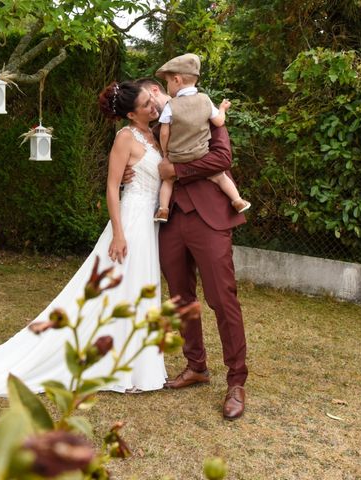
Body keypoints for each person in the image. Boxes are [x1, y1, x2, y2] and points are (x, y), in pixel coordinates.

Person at [0, 81, 168, 397]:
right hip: (130, 222)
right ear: (131, 113)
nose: (153, 106)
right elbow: (111, 186)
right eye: (147, 104)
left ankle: (135, 362)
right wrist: (118, 233)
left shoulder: (155, 134)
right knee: (120, 288)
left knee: (137, 288)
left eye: (152, 101)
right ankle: (117, 363)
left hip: (149, 223)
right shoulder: (125, 138)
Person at [133, 77, 249, 420]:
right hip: (169, 220)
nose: (152, 105)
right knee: (181, 297)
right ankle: (195, 365)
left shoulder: (203, 109)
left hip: (209, 218)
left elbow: (222, 157)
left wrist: (178, 170)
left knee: (222, 298)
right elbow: (145, 160)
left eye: (153, 94)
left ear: (165, 86)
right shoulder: (158, 127)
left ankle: (236, 381)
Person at [152, 53, 250, 223]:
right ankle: (238, 201)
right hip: (201, 154)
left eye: (167, 82)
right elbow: (219, 122)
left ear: (176, 80)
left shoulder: (171, 105)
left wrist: (167, 153)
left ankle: (163, 210)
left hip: (178, 157)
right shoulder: (205, 100)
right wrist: (222, 109)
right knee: (220, 176)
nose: (167, 87)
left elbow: (164, 132)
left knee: (167, 180)